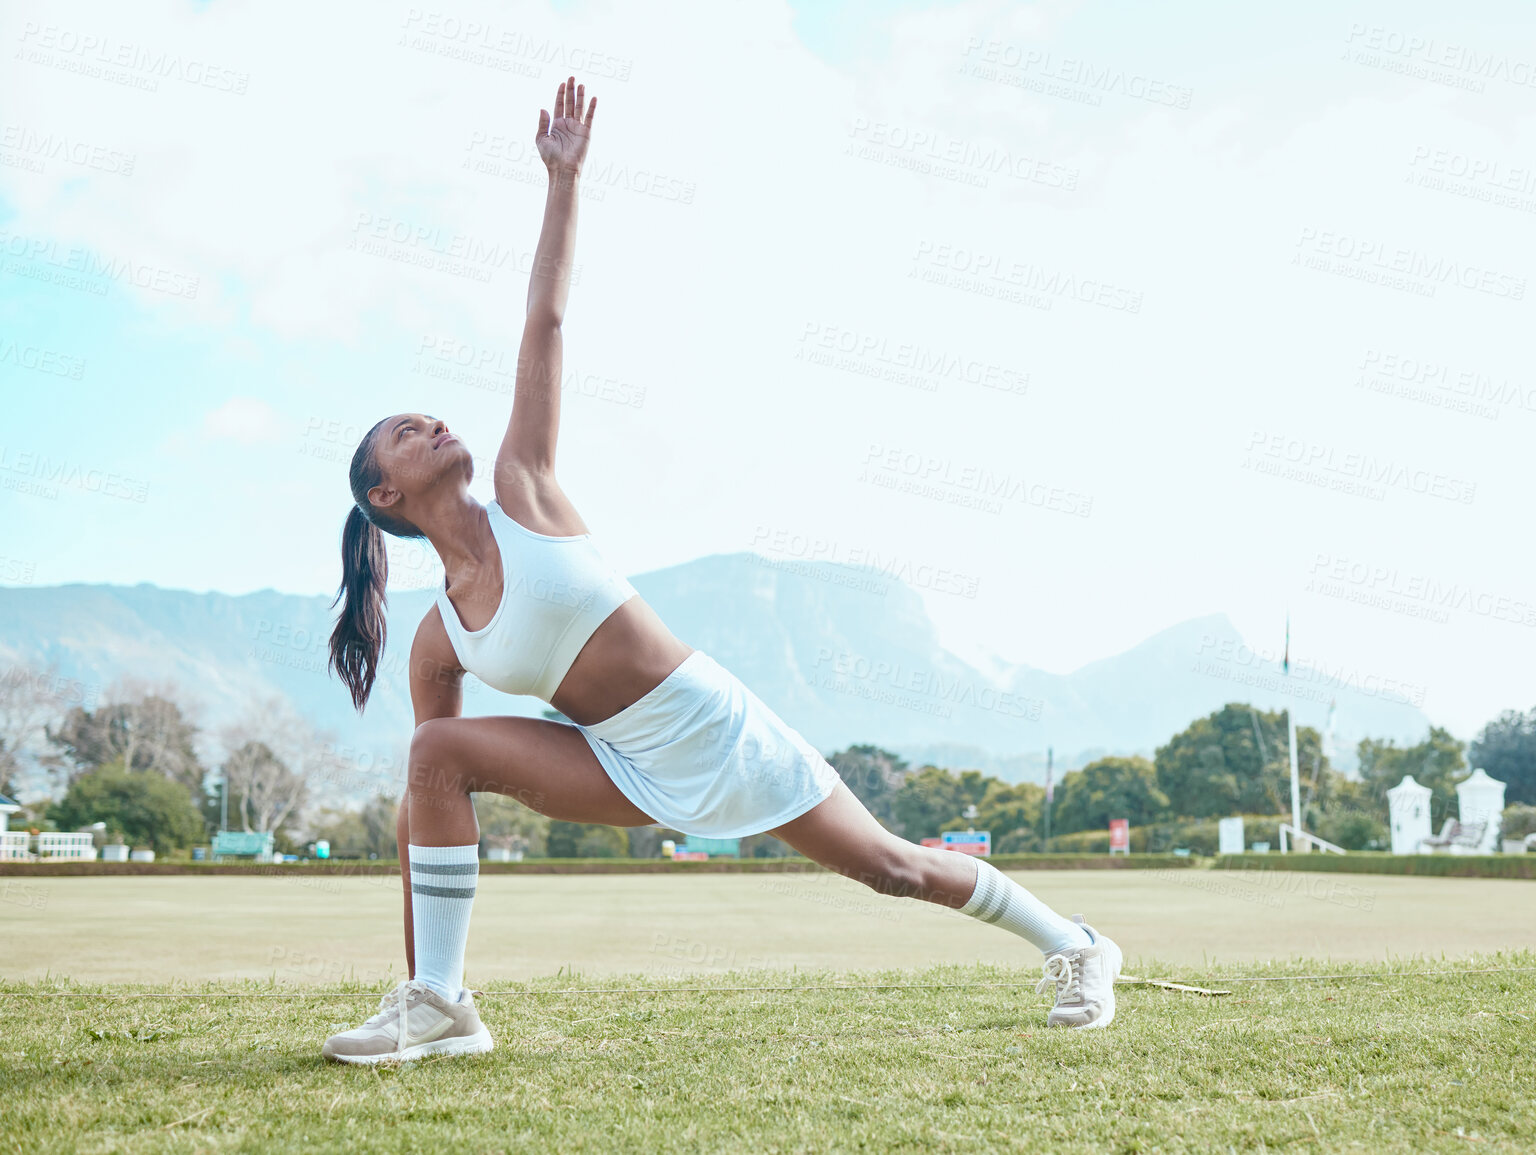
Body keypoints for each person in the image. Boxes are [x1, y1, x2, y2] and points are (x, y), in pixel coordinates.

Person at [319, 78, 1121, 1065]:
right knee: (433, 757)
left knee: (890, 868)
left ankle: (1078, 946)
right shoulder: (439, 638)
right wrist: (412, 964)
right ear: (386, 496)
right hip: (612, 760)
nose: (431, 421)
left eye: (427, 413)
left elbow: (546, 327)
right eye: (405, 433)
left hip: (712, 726)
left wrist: (564, 182)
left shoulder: (525, 487)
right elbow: (423, 810)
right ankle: (439, 1003)